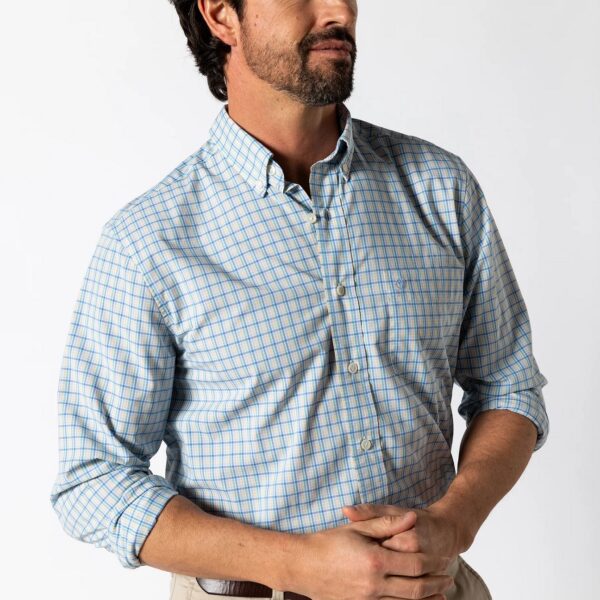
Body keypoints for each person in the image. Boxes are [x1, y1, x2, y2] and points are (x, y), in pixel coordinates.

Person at [49, 1, 550, 599]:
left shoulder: (440, 188)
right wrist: (293, 564)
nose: (339, 9)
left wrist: (454, 522)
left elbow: (509, 388)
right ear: (221, 15)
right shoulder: (148, 242)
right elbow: (93, 480)